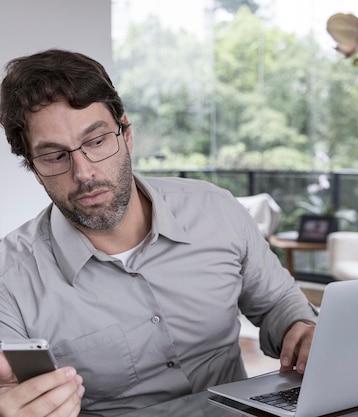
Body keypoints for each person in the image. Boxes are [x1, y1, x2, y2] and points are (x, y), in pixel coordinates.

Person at [0, 49, 317, 417]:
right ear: (32, 168)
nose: (84, 172)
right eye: (55, 156)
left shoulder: (216, 211)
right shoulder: (9, 279)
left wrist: (302, 328)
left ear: (126, 133)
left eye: (97, 140)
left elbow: (278, 303)